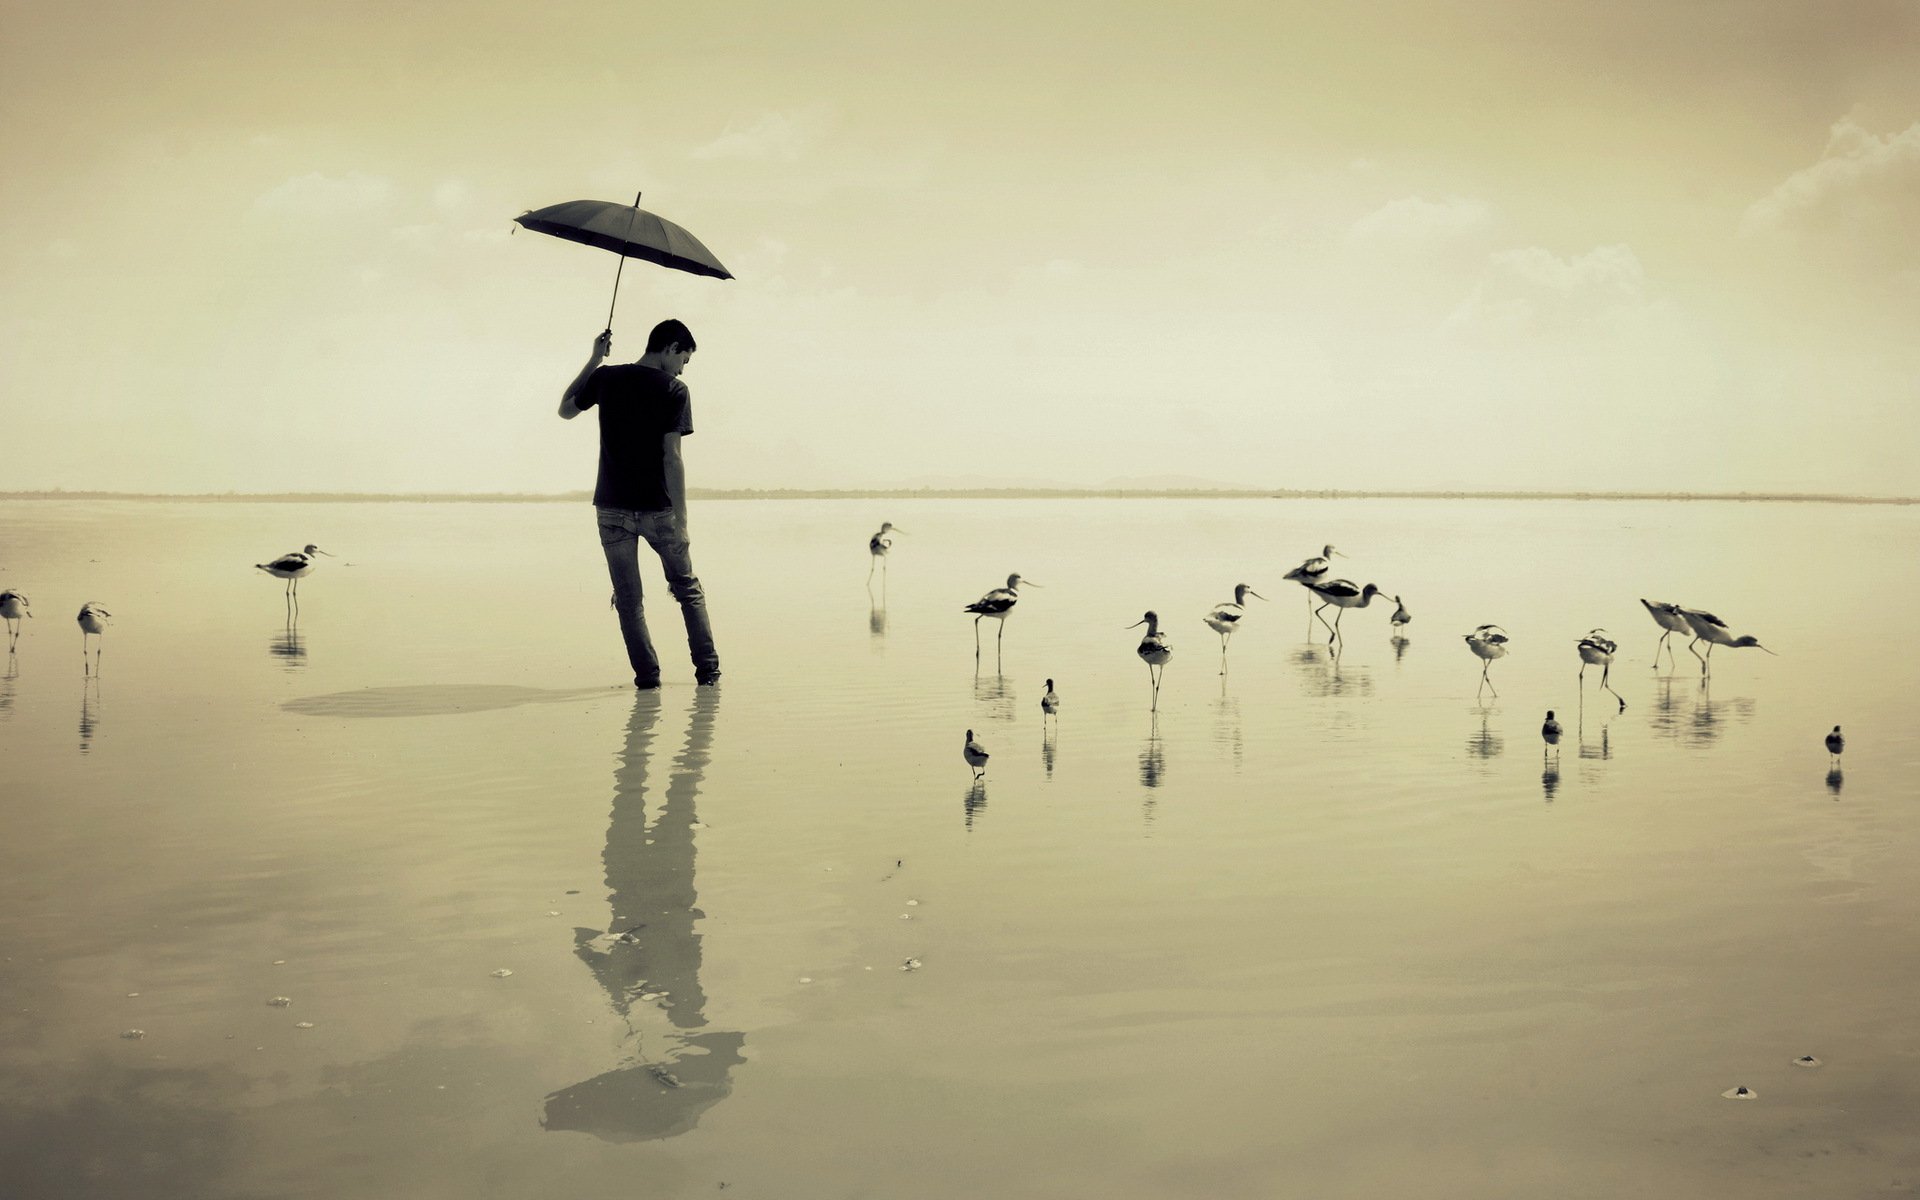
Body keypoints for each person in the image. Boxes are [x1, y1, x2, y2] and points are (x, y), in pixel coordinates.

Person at [560, 318, 720, 688]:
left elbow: (565, 409)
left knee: (629, 601)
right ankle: (708, 674)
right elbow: (672, 458)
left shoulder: (606, 377)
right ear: (671, 348)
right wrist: (682, 520)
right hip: (658, 510)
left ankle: (647, 680)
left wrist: (594, 360)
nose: (682, 368)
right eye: (684, 359)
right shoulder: (674, 389)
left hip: (611, 509)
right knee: (688, 590)